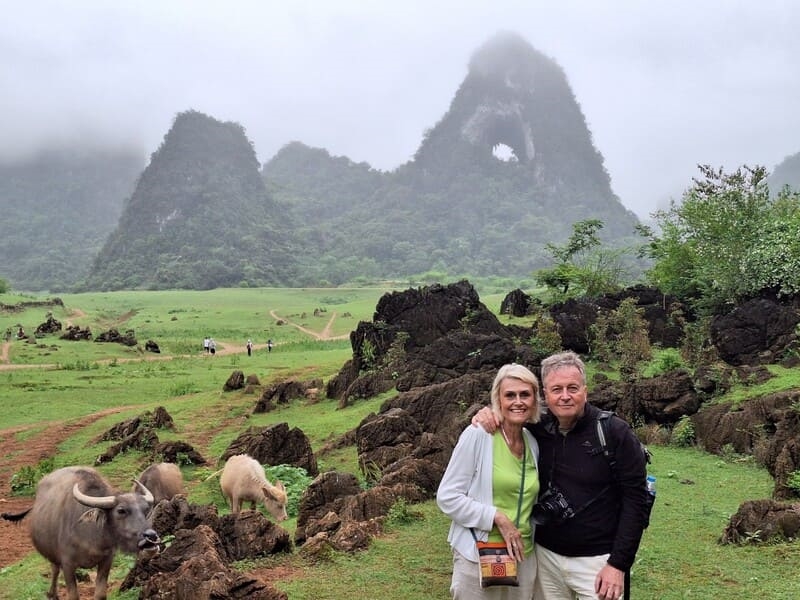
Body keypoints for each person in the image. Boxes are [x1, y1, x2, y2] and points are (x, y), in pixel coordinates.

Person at [473, 351, 649, 600]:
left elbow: (636, 501)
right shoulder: (539, 428)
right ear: (545, 395)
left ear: (585, 391)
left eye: (572, 388)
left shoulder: (613, 432)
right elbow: (510, 410)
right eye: (557, 389)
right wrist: (487, 413)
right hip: (546, 558)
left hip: (598, 562)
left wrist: (618, 564)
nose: (565, 396)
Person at [437, 363, 541, 599]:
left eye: (525, 394)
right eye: (510, 395)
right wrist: (496, 517)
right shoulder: (479, 435)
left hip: (523, 557)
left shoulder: (532, 442)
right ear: (498, 399)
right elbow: (447, 497)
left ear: (534, 400)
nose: (518, 401)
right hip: (479, 555)